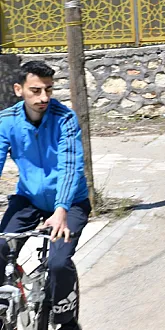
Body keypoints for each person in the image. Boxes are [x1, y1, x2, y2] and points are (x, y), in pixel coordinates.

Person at [0, 61, 90, 330]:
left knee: (58, 262)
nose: (44, 98)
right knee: (1, 247)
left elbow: (70, 166)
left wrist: (61, 210)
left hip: (70, 201)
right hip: (28, 199)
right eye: (36, 90)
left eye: (48, 90)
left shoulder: (65, 118)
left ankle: (65, 319)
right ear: (19, 90)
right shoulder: (6, 121)